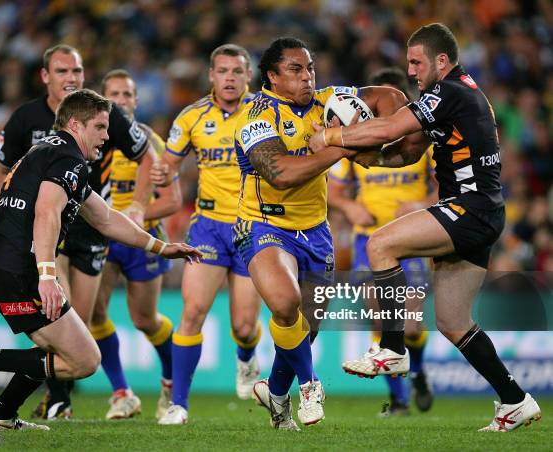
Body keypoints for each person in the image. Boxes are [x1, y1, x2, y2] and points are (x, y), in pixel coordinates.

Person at [312, 23, 542, 432]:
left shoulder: (450, 91)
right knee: (454, 323)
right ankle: (515, 400)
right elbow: (408, 151)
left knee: (381, 244)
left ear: (441, 60)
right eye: (409, 64)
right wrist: (373, 159)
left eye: (417, 63)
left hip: (467, 208)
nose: (412, 71)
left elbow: (387, 128)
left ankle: (393, 348)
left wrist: (331, 135)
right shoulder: (456, 94)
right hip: (483, 211)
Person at [0, 89, 201, 432]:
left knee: (57, 354)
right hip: (18, 269)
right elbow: (45, 213)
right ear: (75, 124)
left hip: (2, 265)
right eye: (100, 127)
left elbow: (106, 218)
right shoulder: (68, 159)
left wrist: (160, 247)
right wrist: (46, 276)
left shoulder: (52, 153)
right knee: (84, 360)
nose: (106, 135)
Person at [0, 44, 152, 419]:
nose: (72, 78)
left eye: (77, 71)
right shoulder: (29, 120)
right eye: (62, 71)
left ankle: (4, 410)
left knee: (73, 328)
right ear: (46, 77)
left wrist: (144, 213)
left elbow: (144, 160)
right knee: (70, 339)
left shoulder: (98, 112)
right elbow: (11, 182)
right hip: (42, 241)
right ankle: (51, 397)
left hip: (87, 230)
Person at [230, 37, 408, 431]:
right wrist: (343, 144)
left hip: (316, 231)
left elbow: (384, 95)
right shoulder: (255, 115)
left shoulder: (328, 100)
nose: (307, 76)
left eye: (310, 67)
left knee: (305, 330)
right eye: (295, 69)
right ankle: (310, 385)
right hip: (263, 223)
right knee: (284, 301)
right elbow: (282, 174)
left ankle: (275, 395)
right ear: (272, 77)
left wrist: (401, 123)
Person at [150, 44, 263, 425]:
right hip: (209, 228)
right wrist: (162, 176)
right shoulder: (191, 117)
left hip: (253, 227)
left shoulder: (264, 112)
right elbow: (168, 165)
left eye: (237, 71)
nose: (230, 77)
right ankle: (178, 404)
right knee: (193, 311)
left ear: (249, 76)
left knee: (244, 327)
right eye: (223, 71)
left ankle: (247, 358)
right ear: (211, 76)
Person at [328, 67, 436, 416]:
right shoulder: (358, 138)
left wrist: (422, 204)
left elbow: (446, 189)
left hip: (414, 238)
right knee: (380, 320)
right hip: (368, 240)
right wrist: (349, 206)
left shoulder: (421, 141)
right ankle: (400, 401)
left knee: (411, 323)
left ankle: (417, 372)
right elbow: (332, 190)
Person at [91, 69, 182, 420]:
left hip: (142, 240)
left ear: (136, 101)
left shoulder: (149, 142)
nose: (121, 101)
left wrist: (133, 217)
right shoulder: (91, 143)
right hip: (101, 239)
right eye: (113, 94)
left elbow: (173, 201)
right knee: (96, 312)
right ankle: (121, 392)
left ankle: (172, 380)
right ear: (102, 101)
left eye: (127, 95)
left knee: (144, 319)